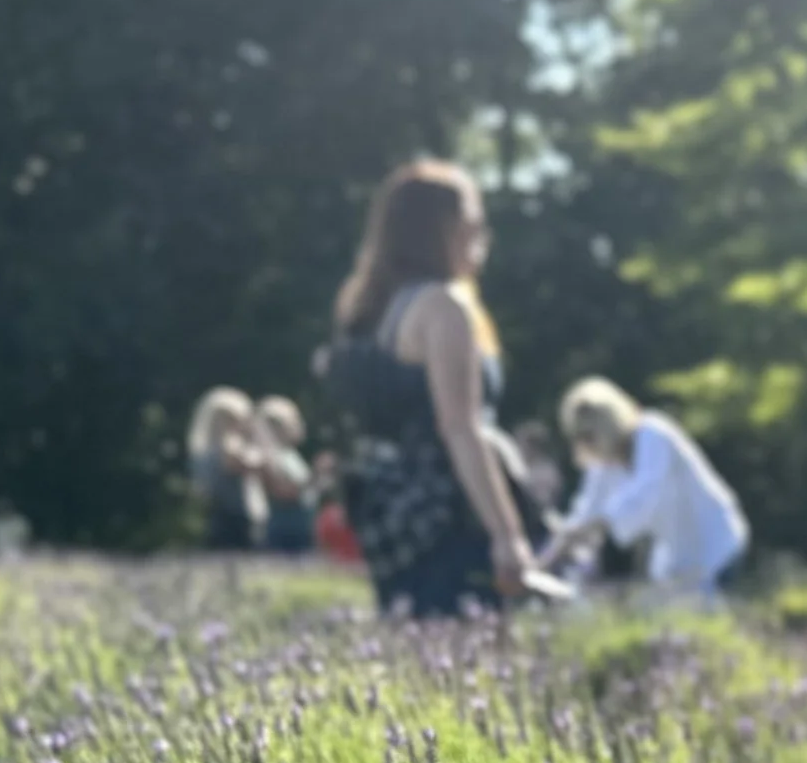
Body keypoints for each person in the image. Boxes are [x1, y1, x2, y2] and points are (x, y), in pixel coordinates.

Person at [321, 160, 537, 615]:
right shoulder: (444, 308)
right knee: (469, 656)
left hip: (389, 512)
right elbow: (461, 428)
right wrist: (507, 535)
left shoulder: (371, 308)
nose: (483, 237)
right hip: (448, 513)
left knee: (415, 647)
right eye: (475, 223)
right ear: (445, 229)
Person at [547, 379, 750, 602]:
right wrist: (543, 562)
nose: (585, 445)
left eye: (588, 436)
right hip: (678, 557)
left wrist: (598, 524)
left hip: (715, 543)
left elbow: (645, 491)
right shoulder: (605, 464)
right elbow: (585, 512)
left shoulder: (653, 434)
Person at [187, 388, 264, 551]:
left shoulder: (203, 450)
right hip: (231, 515)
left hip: (215, 514)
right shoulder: (228, 447)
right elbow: (246, 465)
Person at [251, 396, 324, 556]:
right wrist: (316, 474)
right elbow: (282, 492)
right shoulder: (266, 457)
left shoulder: (290, 454)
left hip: (301, 525)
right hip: (284, 529)